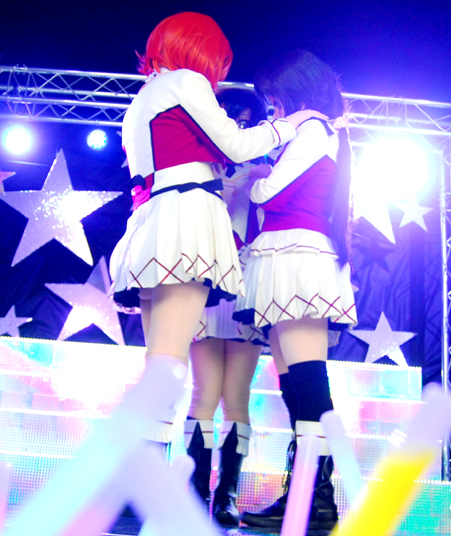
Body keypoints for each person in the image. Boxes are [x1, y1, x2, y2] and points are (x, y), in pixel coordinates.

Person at [109, 13, 323, 460]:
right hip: (183, 221)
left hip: (150, 222)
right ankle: (137, 477)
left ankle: (139, 476)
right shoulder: (185, 81)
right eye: (220, 61)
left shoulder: (144, 97)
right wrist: (293, 123)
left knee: (160, 362)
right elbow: (238, 145)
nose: (218, 73)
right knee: (167, 365)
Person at [234, 49, 358, 531]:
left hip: (299, 256)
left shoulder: (312, 129)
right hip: (288, 255)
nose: (273, 107)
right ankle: (304, 496)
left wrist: (257, 179)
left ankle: (315, 500)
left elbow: (270, 194)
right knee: (296, 385)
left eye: (275, 97)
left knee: (308, 383)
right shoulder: (316, 131)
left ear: (294, 91)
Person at [183, 87, 269, 527]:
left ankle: (227, 493)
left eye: (248, 121)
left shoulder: (267, 172)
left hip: (247, 284)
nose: (239, 126)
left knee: (236, 398)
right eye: (232, 117)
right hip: (206, 281)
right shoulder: (198, 168)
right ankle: (194, 489)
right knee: (204, 393)